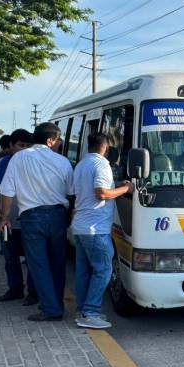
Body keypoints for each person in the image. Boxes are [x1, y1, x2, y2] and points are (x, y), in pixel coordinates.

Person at [0, 122, 73, 322]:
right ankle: (56, 305)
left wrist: (5, 217)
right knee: (58, 263)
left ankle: (51, 308)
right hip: (58, 216)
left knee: (38, 264)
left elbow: (7, 191)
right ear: (50, 140)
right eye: (58, 140)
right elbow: (71, 192)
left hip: (31, 218)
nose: (60, 143)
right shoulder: (63, 161)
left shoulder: (19, 158)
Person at [72, 133, 130, 329]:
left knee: (84, 271)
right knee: (104, 269)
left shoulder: (81, 164)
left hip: (80, 227)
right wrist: (125, 189)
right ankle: (90, 312)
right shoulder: (102, 164)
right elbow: (102, 193)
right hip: (95, 229)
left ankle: (82, 310)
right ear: (106, 147)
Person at [0, 129, 37, 304]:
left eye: (29, 146)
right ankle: (15, 290)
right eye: (21, 145)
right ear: (10, 146)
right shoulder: (2, 164)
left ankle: (33, 292)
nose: (25, 149)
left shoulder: (35, 164)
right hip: (7, 222)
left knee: (32, 259)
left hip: (30, 222)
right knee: (10, 258)